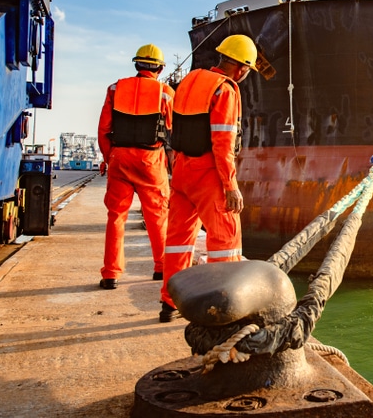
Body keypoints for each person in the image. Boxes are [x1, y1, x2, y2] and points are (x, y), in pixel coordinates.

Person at [159, 34, 257, 322]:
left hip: (182, 170)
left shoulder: (190, 81)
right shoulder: (225, 90)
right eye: (247, 71)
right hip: (208, 172)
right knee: (226, 239)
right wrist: (231, 186)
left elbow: (175, 127)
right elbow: (223, 143)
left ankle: (170, 302)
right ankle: (223, 308)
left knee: (177, 239)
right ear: (240, 67)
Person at [97, 44, 174, 289]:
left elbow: (103, 129)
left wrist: (109, 157)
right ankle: (161, 267)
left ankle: (110, 274)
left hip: (119, 157)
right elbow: (173, 128)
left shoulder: (114, 88)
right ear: (160, 68)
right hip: (150, 159)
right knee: (157, 215)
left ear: (136, 64)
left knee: (116, 217)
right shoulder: (165, 92)